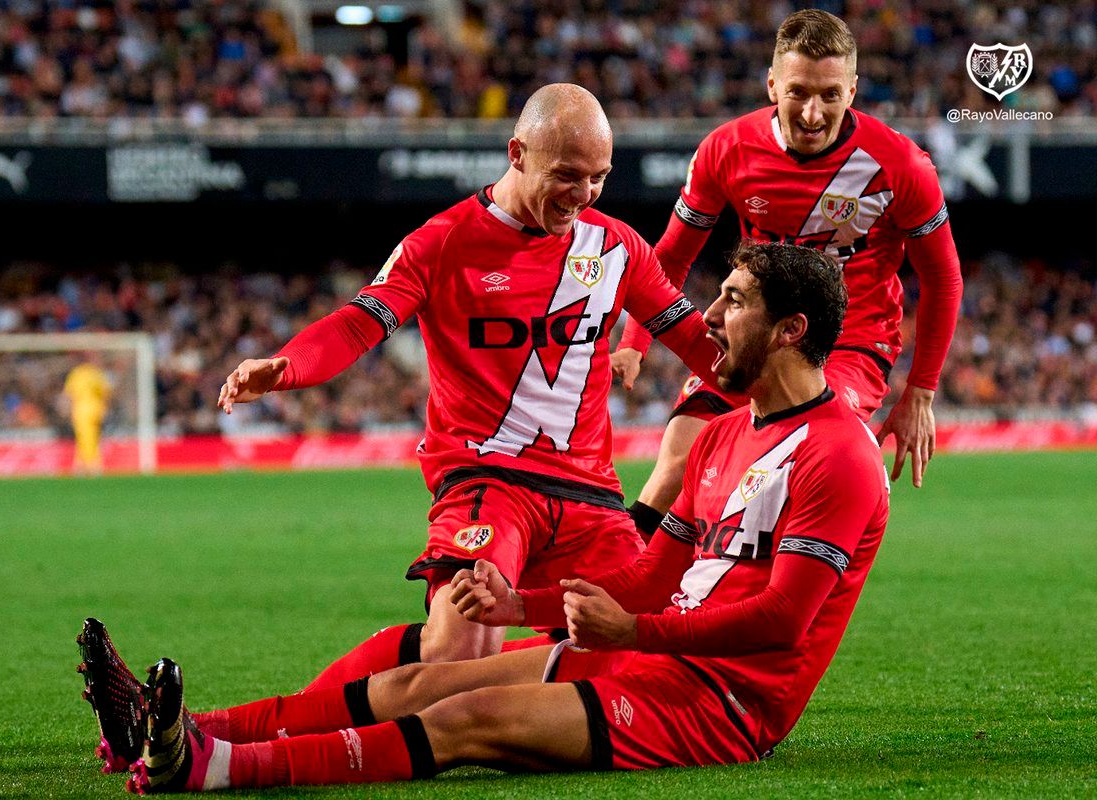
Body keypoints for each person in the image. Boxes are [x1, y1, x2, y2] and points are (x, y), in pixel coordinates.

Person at [76, 83, 731, 775]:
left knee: (632, 656)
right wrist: (288, 366)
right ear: (517, 152)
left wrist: (801, 394)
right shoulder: (444, 241)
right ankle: (225, 747)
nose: (584, 194)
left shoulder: (617, 247)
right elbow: (362, 321)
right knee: (458, 655)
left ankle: (179, 728)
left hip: (591, 495)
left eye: (599, 177)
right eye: (566, 175)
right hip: (488, 478)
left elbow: (699, 345)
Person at [107, 240, 891, 793]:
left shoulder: (839, 456)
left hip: (722, 704)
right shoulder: (722, 432)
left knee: (467, 716)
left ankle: (214, 768)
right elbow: (653, 575)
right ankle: (182, 727)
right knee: (427, 680)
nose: (710, 316)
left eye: (736, 301)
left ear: (791, 331)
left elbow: (785, 623)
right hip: (654, 658)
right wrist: (527, 608)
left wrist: (632, 633)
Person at [613, 9, 961, 541]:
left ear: (853, 89)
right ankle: (617, 592)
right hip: (750, 331)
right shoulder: (726, 149)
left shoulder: (901, 166)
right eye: (798, 92)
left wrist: (921, 392)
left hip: (845, 345)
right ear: (772, 84)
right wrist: (635, 341)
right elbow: (671, 257)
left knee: (798, 456)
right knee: (679, 458)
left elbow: (942, 278)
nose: (813, 113)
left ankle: (755, 603)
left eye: (830, 94)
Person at [63, 357, 112, 475]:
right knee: (90, 436)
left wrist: (68, 410)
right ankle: (80, 465)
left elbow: (69, 394)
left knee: (85, 437)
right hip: (96, 408)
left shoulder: (76, 374)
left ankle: (93, 464)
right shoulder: (96, 373)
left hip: (81, 410)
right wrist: (105, 407)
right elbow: (106, 392)